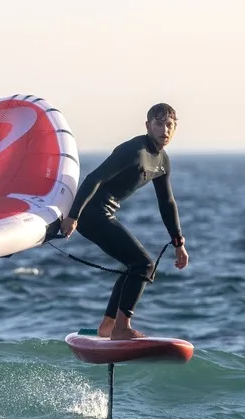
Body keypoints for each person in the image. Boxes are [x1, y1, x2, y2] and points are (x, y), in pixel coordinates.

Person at [60, 103, 189, 340]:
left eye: (170, 125)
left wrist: (178, 242)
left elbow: (166, 202)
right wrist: (74, 216)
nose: (165, 130)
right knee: (144, 264)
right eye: (159, 124)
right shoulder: (134, 150)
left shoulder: (162, 160)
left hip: (104, 213)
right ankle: (121, 328)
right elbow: (94, 178)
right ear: (148, 125)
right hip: (91, 213)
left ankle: (108, 326)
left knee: (135, 264)